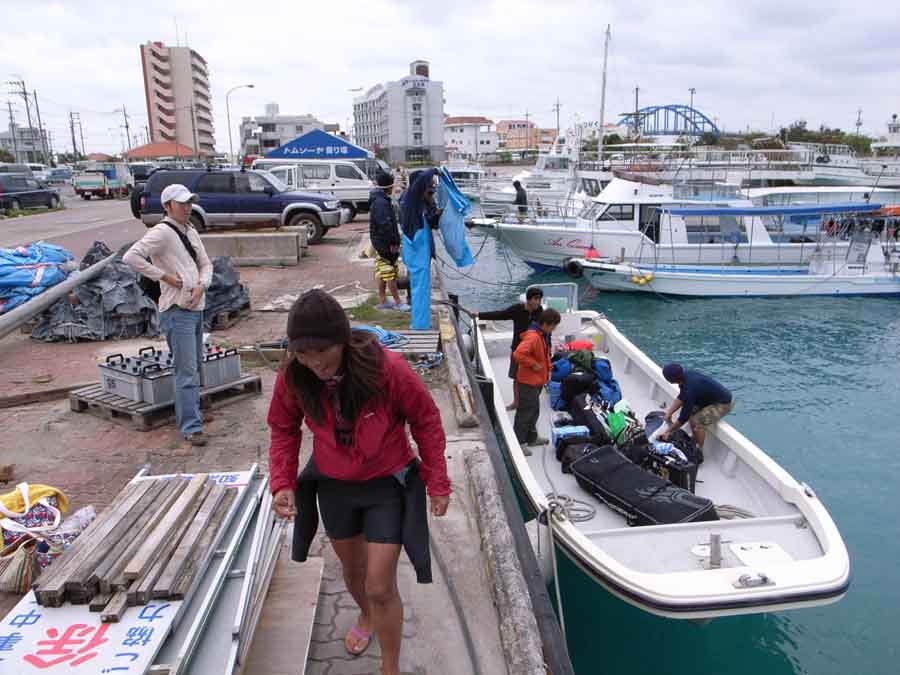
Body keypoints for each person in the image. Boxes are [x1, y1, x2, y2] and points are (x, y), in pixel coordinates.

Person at [267, 289, 451, 675]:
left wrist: (437, 481)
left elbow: (427, 420)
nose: (315, 362)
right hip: (334, 486)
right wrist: (282, 481)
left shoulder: (388, 369)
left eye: (323, 350)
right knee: (353, 572)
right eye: (304, 353)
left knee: (379, 585)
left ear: (343, 341)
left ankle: (390, 666)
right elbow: (283, 427)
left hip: (386, 483)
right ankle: (367, 615)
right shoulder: (294, 376)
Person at [123, 183, 213, 447]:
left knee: (195, 367)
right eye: (181, 203)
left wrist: (202, 285)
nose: (187, 207)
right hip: (177, 310)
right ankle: (191, 426)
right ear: (167, 206)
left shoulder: (190, 230)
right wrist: (165, 277)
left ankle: (192, 412)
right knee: (186, 371)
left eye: (189, 203)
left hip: (196, 305)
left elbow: (205, 263)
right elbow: (131, 257)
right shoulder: (162, 232)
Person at [476, 287, 544, 411]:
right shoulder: (517, 309)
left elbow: (545, 333)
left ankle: (530, 403)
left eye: (539, 299)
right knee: (516, 378)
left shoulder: (540, 312)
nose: (538, 302)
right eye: (535, 299)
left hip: (533, 352)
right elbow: (500, 314)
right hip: (518, 350)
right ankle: (516, 402)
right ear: (528, 299)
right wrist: (480, 315)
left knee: (534, 378)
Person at [511, 308, 561, 454]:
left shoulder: (542, 335)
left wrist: (548, 367)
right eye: (553, 326)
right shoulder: (533, 337)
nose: (554, 329)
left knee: (534, 410)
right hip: (528, 382)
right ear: (546, 324)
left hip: (537, 381)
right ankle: (519, 442)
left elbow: (542, 355)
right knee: (525, 412)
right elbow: (518, 354)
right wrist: (533, 364)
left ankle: (531, 438)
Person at [658, 363, 734, 449]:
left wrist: (667, 432)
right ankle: (694, 439)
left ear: (670, 380)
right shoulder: (685, 375)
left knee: (697, 422)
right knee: (692, 414)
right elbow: (681, 396)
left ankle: (699, 450)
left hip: (723, 404)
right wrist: (669, 413)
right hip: (709, 399)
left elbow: (683, 418)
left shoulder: (690, 389)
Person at [368, 170, 409, 311]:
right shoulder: (381, 203)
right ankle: (398, 302)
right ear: (390, 187)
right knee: (390, 274)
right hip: (385, 245)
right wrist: (393, 243)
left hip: (379, 243)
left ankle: (383, 300)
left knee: (381, 273)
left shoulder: (378, 200)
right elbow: (385, 225)